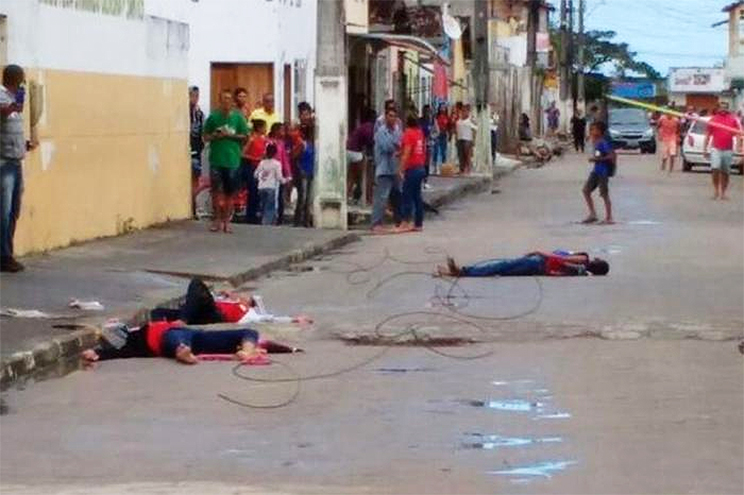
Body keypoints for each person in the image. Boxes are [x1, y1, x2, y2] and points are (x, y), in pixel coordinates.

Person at [1, 64, 36, 273]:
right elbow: (3, 112)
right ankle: (3, 256)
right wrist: (14, 106)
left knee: (13, 210)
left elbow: (10, 129)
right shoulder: (3, 96)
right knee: (3, 212)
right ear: (15, 79)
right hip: (3, 162)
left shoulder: (15, 102)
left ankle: (8, 252)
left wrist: (24, 145)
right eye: (21, 80)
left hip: (15, 160)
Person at [202, 90, 248, 233]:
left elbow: (245, 137)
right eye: (224, 99)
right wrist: (215, 136)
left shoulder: (239, 118)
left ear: (232, 102)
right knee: (216, 191)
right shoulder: (213, 118)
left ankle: (227, 222)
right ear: (220, 101)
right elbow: (205, 137)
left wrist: (230, 135)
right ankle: (216, 220)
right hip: (216, 159)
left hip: (232, 159)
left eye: (229, 99)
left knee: (230, 192)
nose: (227, 102)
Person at [437, 252, 609, 278]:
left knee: (503, 265)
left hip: (540, 262)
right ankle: (465, 272)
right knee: (503, 270)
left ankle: (465, 271)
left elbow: (560, 259)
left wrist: (539, 252)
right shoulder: (582, 273)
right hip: (540, 270)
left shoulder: (583, 259)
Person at [371, 107, 403, 233]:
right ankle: (376, 223)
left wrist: (397, 147)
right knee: (381, 197)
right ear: (385, 117)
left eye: (394, 116)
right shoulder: (380, 132)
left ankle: (399, 220)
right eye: (390, 115)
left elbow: (401, 144)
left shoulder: (397, 130)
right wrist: (397, 147)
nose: (392, 118)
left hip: (394, 168)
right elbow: (387, 147)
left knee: (397, 195)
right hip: (384, 169)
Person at [703, 101, 742, 200]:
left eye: (725, 107)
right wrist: (705, 149)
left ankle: (723, 193)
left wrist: (738, 146)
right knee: (715, 168)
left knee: (726, 172)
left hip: (728, 149)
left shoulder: (733, 119)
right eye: (721, 107)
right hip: (716, 148)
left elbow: (738, 133)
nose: (723, 109)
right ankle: (716, 190)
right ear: (718, 109)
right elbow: (707, 135)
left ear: (728, 108)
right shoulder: (713, 119)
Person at [398, 115, 427, 232]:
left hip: (412, 168)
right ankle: (418, 223)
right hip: (420, 167)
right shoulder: (419, 133)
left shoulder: (408, 133)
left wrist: (401, 168)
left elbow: (407, 152)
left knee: (407, 195)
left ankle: (405, 221)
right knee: (417, 196)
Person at [582, 121, 615, 225]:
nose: (592, 131)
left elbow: (611, 156)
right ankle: (593, 214)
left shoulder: (603, 142)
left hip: (602, 172)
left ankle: (609, 217)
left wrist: (598, 159)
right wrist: (595, 158)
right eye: (591, 129)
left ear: (600, 131)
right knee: (586, 190)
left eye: (594, 129)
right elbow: (597, 154)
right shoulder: (596, 142)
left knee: (604, 194)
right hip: (596, 171)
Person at [346, 110, 375, 204]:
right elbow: (370, 142)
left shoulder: (362, 127)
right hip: (355, 152)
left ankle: (348, 194)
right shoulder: (369, 127)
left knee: (351, 176)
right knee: (365, 175)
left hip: (349, 150)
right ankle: (367, 198)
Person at [243, 119, 268, 224]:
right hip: (253, 168)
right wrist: (255, 158)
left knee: (259, 192)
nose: (265, 129)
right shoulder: (252, 139)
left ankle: (258, 214)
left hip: (262, 168)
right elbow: (242, 154)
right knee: (252, 192)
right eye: (264, 127)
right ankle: (250, 215)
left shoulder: (264, 140)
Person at [254, 143, 286, 225]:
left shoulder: (262, 163)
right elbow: (279, 177)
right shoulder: (277, 164)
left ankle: (262, 219)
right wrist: (285, 180)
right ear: (275, 153)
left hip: (261, 187)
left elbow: (256, 174)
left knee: (263, 205)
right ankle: (266, 223)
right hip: (271, 187)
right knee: (270, 207)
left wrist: (260, 179)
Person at [268, 122, 292, 224]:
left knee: (280, 196)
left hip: (279, 172)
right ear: (275, 131)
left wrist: (288, 174)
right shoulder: (268, 142)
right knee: (270, 195)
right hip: (269, 172)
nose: (283, 132)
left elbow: (284, 160)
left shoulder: (281, 144)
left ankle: (279, 218)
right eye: (281, 130)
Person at [189, 86, 205, 216]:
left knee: (195, 179)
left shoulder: (199, 114)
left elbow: (202, 132)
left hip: (196, 150)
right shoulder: (184, 112)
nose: (194, 99)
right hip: (186, 150)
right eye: (192, 95)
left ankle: (193, 208)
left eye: (196, 96)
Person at [456, 104, 477, 174]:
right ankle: (461, 169)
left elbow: (474, 130)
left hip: (467, 139)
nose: (463, 112)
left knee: (467, 155)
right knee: (460, 155)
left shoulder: (470, 120)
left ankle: (468, 169)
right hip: (460, 138)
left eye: (465, 111)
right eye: (462, 111)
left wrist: (473, 140)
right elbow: (456, 130)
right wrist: (456, 139)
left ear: (468, 112)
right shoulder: (459, 120)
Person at [419, 104, 436, 189]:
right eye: (426, 111)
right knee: (420, 162)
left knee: (426, 163)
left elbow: (436, 131)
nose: (427, 113)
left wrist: (432, 138)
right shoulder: (420, 121)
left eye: (429, 111)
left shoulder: (432, 121)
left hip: (428, 144)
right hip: (420, 144)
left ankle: (426, 180)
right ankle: (420, 179)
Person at [433, 104, 449, 174]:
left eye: (444, 107)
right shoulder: (436, 117)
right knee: (436, 151)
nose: (442, 109)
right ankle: (435, 167)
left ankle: (443, 167)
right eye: (441, 107)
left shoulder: (447, 117)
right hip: (437, 135)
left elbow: (449, 126)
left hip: (444, 134)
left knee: (443, 151)